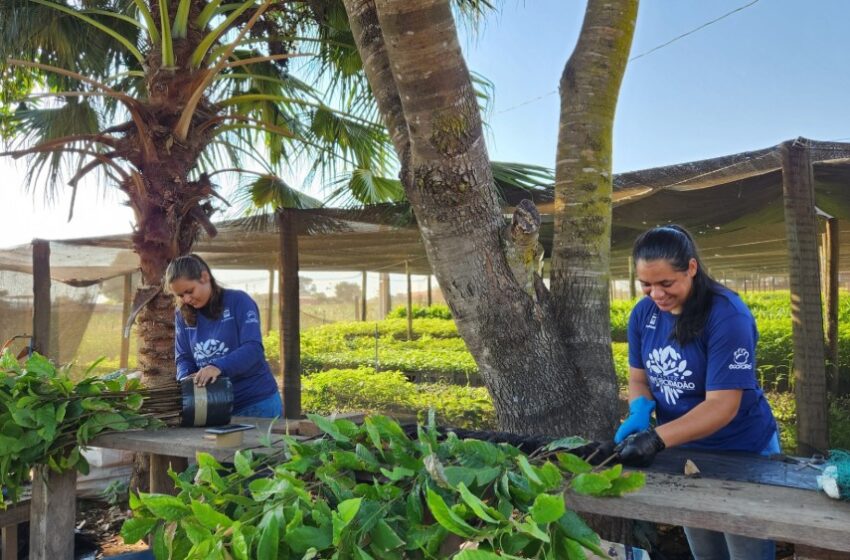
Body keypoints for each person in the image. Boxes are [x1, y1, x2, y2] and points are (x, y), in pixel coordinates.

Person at [614, 225, 779, 560]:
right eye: (646, 284)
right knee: (705, 550)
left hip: (740, 450)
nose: (655, 294)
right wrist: (640, 411)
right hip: (684, 452)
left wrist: (655, 440)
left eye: (666, 283)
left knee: (745, 549)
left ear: (691, 268)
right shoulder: (643, 314)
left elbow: (722, 406)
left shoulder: (726, 315)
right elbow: (639, 379)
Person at [165, 254, 282, 418]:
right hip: (212, 406)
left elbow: (253, 348)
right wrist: (185, 378)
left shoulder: (239, 301)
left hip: (256, 404)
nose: (186, 299)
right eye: (180, 295)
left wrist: (217, 367)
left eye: (189, 291)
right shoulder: (182, 315)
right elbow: (184, 356)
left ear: (205, 277)